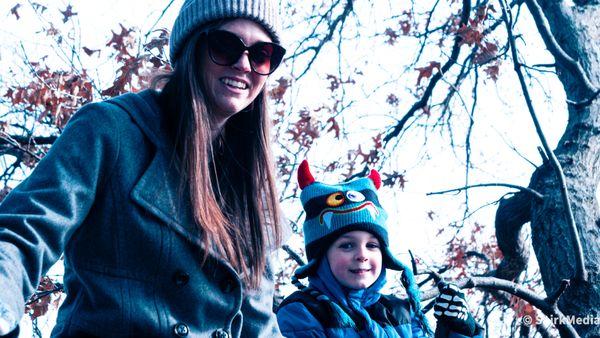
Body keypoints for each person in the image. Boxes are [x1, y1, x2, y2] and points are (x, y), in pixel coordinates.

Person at [0, 0, 287, 336]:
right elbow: (24, 232)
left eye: (261, 55)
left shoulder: (252, 189)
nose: (243, 64)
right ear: (191, 49)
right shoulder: (111, 130)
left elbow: (259, 324)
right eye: (225, 46)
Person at [276, 160, 483, 337]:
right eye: (347, 245)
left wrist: (458, 329)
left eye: (372, 245)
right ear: (321, 255)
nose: (362, 255)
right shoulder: (302, 311)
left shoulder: (399, 312)